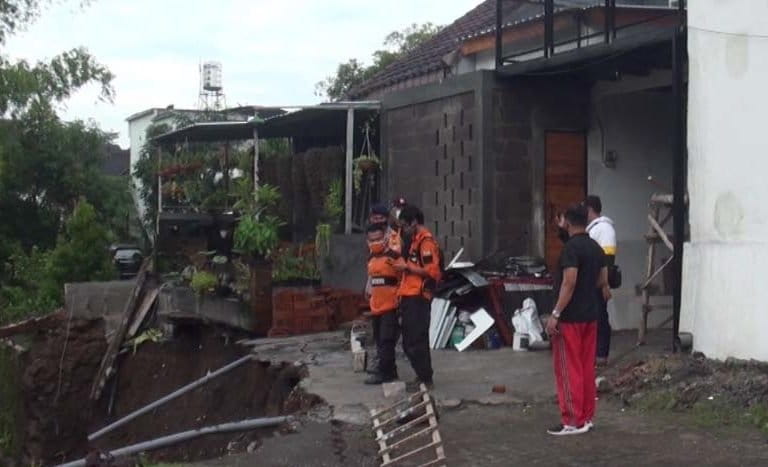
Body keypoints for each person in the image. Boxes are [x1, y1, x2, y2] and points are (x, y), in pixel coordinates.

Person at [545, 203, 608, 436]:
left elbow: (569, 282)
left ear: (569, 223)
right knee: (585, 367)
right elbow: (602, 280)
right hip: (590, 315)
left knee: (567, 368)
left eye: (562, 221)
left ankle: (572, 421)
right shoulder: (596, 248)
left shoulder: (571, 249)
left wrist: (555, 314)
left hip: (570, 318)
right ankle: (586, 417)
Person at [394, 205, 442, 389]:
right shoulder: (414, 241)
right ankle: (422, 375)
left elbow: (432, 272)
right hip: (409, 295)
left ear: (414, 222)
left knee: (416, 340)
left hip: (419, 297)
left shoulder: (426, 243)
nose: (403, 230)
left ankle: (425, 378)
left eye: (405, 226)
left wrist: (407, 267)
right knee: (409, 341)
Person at [363, 223, 405, 384]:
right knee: (380, 341)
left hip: (391, 307)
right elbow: (372, 280)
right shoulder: (370, 260)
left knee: (387, 341)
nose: (375, 242)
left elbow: (403, 279)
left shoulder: (394, 258)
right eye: (372, 240)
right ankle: (390, 370)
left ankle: (385, 374)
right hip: (376, 307)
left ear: (385, 238)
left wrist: (400, 301)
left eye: (378, 239)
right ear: (367, 241)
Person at [584, 195, 616, 366]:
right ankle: (594, 352)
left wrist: (604, 283)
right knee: (594, 316)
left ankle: (601, 354)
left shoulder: (604, 229)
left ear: (590, 209)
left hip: (598, 281)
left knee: (600, 316)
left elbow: (608, 258)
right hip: (590, 281)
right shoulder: (593, 229)